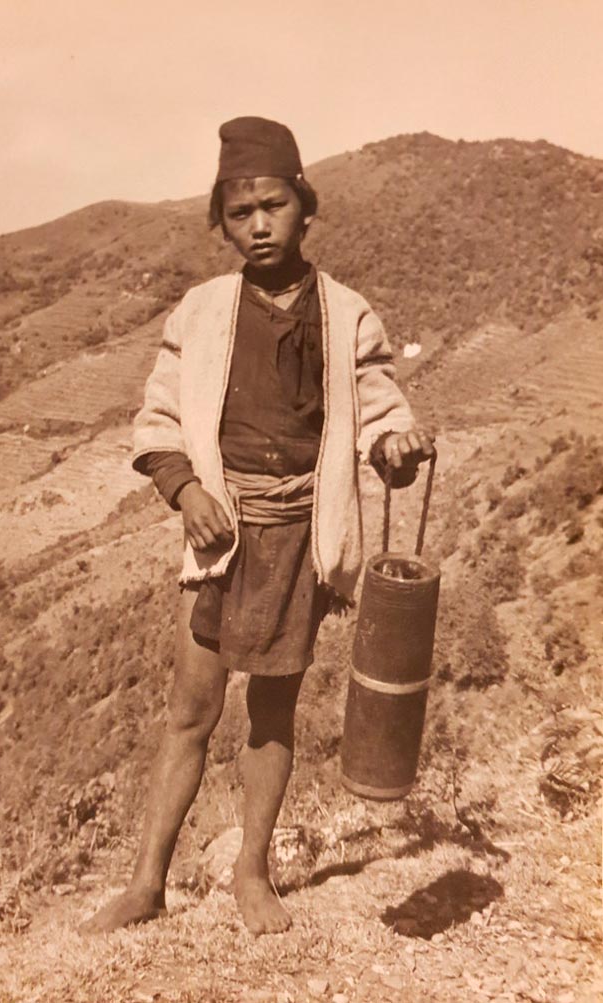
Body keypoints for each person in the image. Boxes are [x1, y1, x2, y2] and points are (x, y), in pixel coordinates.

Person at [80, 116, 434, 937]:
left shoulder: (347, 316)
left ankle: (251, 872)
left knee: (273, 709)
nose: (259, 225)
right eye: (240, 214)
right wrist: (184, 491)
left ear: (305, 207)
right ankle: (147, 882)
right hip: (222, 534)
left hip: (303, 533)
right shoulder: (201, 312)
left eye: (274, 205)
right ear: (223, 221)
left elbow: (382, 421)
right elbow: (158, 418)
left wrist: (398, 445)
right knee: (190, 709)